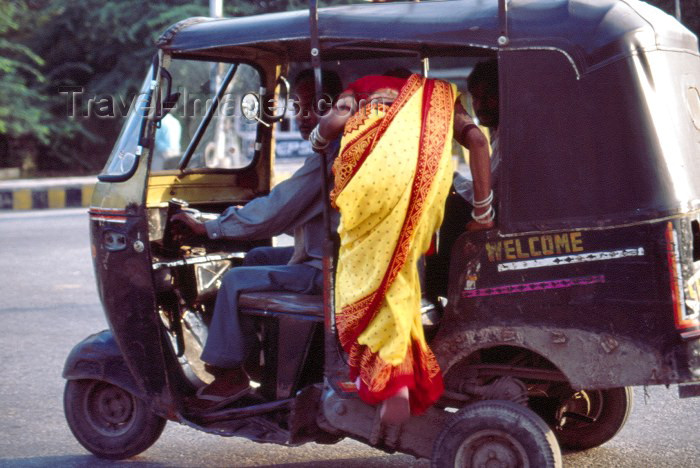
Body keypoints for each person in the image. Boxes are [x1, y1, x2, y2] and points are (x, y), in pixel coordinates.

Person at [312, 72, 492, 424]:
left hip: (370, 186)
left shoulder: (360, 89)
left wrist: (319, 139)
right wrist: (483, 213)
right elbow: (479, 144)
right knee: (401, 271)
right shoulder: (438, 95)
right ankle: (399, 375)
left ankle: (390, 379)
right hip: (417, 187)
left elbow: (332, 123)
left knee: (366, 279)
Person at [171, 69, 343, 408]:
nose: (304, 118)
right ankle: (253, 357)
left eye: (314, 107)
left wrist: (212, 227)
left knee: (235, 281)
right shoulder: (331, 150)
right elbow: (287, 212)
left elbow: (278, 210)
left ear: (336, 108)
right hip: (321, 255)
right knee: (256, 259)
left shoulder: (331, 156)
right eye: (298, 107)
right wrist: (224, 221)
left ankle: (230, 372)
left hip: (329, 269)